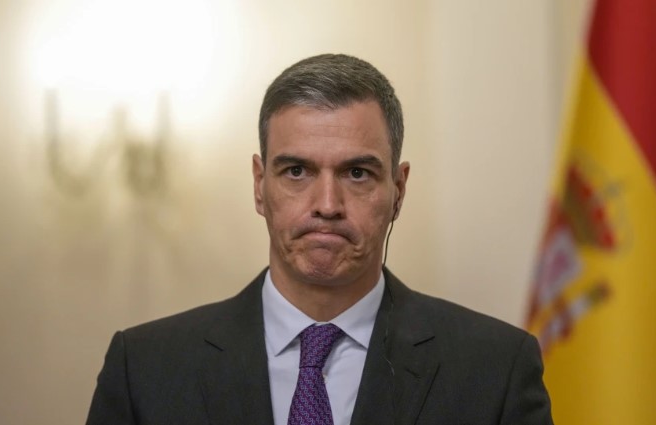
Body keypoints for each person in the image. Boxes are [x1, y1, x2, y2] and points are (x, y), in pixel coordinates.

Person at [86, 53, 553, 425]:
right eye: (296, 171)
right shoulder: (144, 369)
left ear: (398, 189)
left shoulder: (496, 369)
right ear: (259, 185)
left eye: (357, 173)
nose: (327, 204)